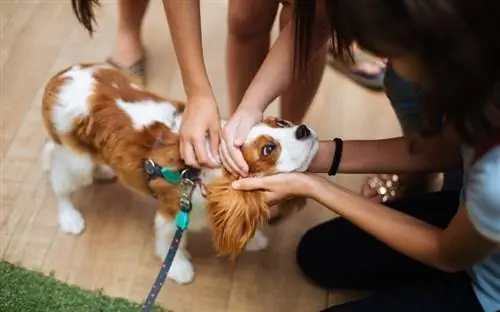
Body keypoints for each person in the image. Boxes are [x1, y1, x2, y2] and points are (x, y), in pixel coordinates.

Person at [229, 0, 500, 311]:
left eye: (388, 52)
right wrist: (317, 156)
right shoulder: (482, 70)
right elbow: (449, 147)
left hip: (480, 281)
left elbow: (445, 254)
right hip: (475, 220)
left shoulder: (494, 179)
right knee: (318, 253)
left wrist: (314, 186)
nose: (384, 61)